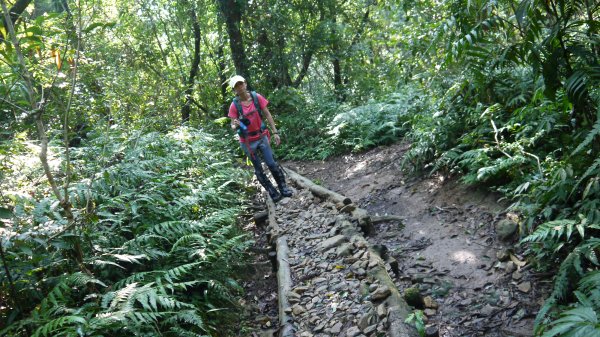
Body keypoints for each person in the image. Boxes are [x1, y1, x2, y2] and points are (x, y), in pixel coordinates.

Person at [227, 75, 292, 202]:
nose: (240, 87)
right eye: (236, 86)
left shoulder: (257, 97)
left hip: (262, 137)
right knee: (258, 169)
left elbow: (267, 114)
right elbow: (232, 124)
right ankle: (272, 192)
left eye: (241, 84)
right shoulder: (234, 106)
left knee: (271, 163)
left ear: (245, 84)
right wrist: (235, 125)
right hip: (247, 142)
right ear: (234, 90)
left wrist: (275, 132)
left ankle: (283, 188)